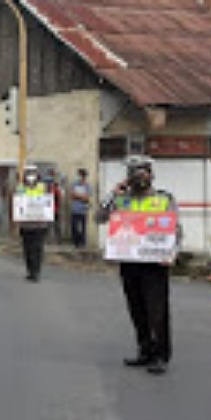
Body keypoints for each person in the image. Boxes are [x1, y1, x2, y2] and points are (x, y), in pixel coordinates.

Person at [95, 155, 179, 375]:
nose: (138, 177)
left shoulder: (164, 199)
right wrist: (112, 193)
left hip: (155, 264)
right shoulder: (121, 200)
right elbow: (99, 217)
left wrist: (172, 252)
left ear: (151, 175)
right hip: (130, 263)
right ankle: (145, 350)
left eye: (142, 172)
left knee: (157, 312)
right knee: (136, 309)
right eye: (133, 173)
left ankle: (161, 355)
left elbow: (175, 231)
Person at [15, 165, 49, 282]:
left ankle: (36, 272)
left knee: (37, 249)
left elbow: (48, 203)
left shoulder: (42, 187)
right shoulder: (21, 188)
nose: (30, 176)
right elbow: (18, 203)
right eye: (28, 173)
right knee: (27, 249)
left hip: (40, 224)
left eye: (32, 173)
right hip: (26, 225)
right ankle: (30, 270)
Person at [70, 168, 91, 248]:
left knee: (83, 228)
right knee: (74, 227)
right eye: (78, 175)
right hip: (75, 209)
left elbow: (87, 198)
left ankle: (82, 243)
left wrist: (78, 196)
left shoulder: (87, 186)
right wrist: (82, 196)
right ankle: (76, 242)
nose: (79, 177)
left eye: (81, 175)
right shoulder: (74, 184)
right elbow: (72, 195)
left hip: (83, 210)